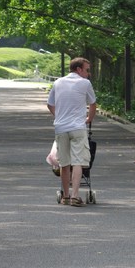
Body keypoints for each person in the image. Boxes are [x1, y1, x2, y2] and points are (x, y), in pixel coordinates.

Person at [46, 57, 97, 207]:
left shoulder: (58, 82)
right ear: (79, 69)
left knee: (64, 163)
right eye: (87, 70)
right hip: (77, 127)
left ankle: (66, 196)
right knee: (78, 162)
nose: (88, 74)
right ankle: (75, 196)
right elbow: (93, 104)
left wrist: (60, 116)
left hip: (61, 127)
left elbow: (50, 104)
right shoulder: (85, 83)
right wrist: (88, 119)